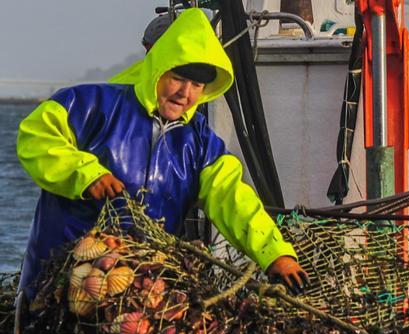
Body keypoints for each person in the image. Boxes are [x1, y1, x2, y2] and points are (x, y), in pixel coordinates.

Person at [17, 8, 308, 300]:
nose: (185, 93)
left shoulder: (200, 142)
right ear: (159, 68)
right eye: (178, 78)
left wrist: (275, 254)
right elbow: (36, 136)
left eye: (197, 85)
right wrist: (86, 175)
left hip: (142, 293)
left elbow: (233, 199)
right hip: (61, 285)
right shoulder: (93, 104)